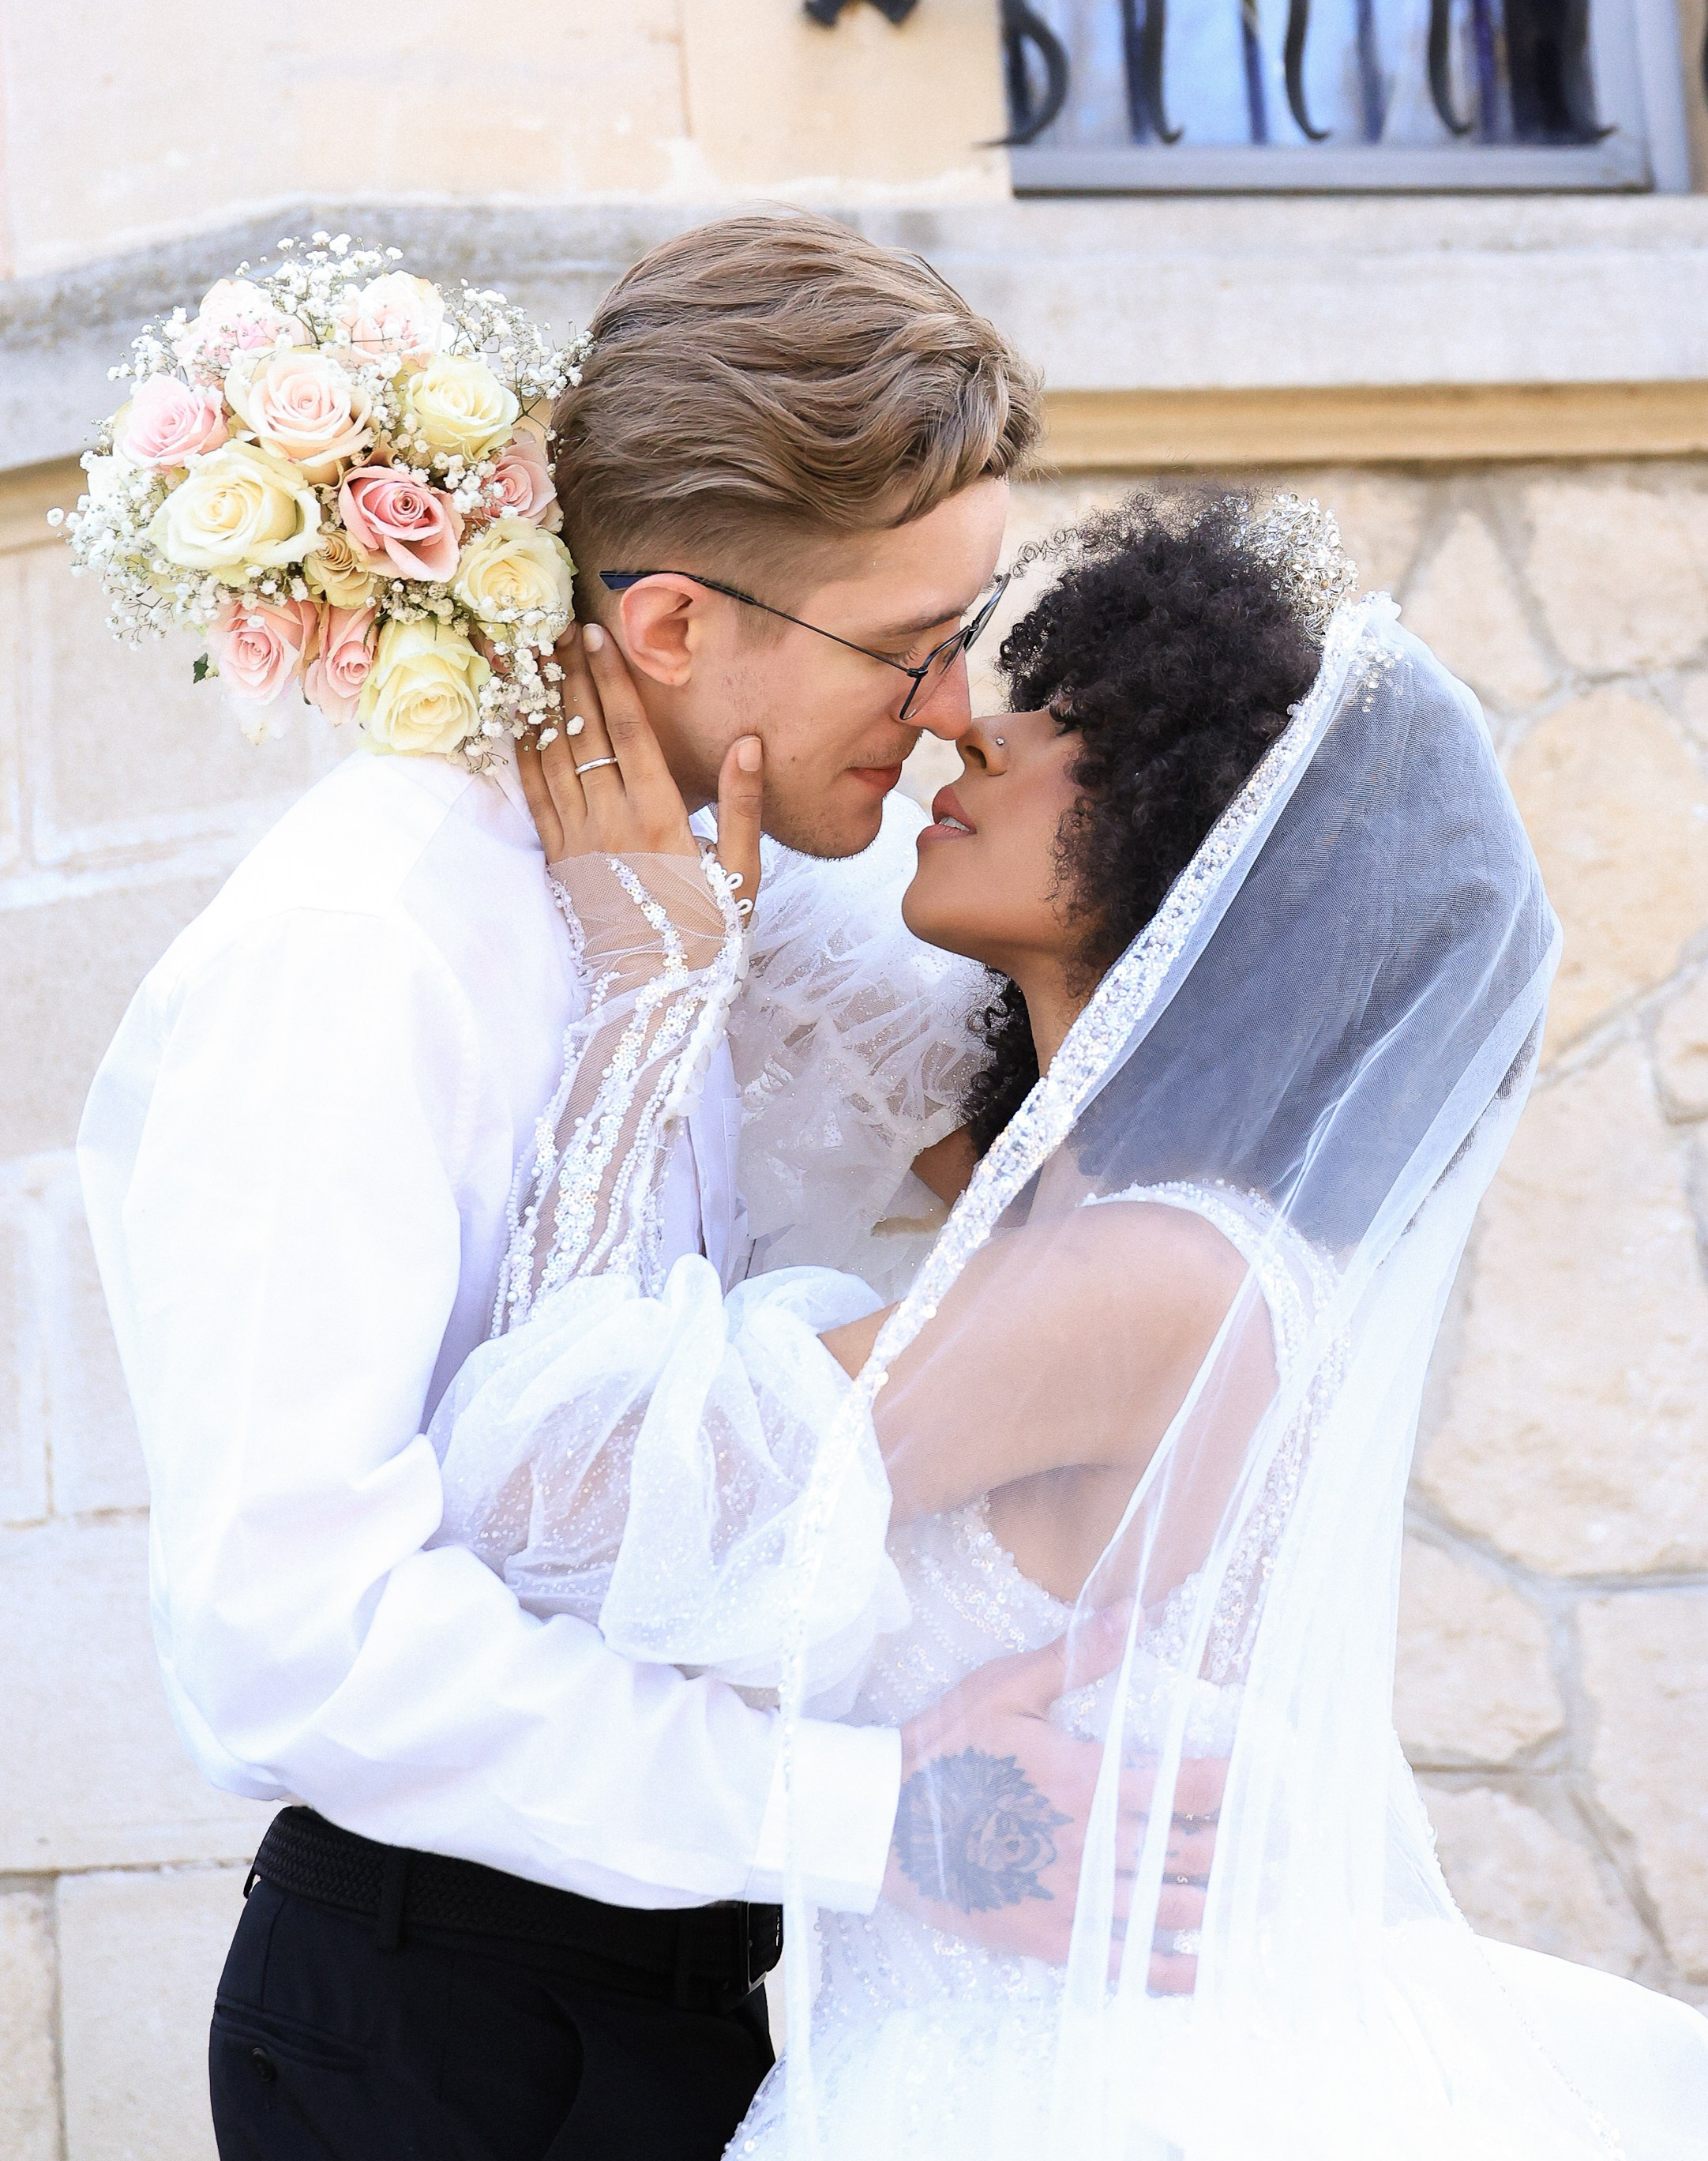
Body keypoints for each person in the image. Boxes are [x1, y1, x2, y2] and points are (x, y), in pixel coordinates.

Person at [438, 489, 1708, 2159]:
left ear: (1197, 840)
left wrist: (642, 985)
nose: (959, 715)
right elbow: (863, 1042)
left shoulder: (1145, 1278)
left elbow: (555, 1500)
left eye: (1063, 725)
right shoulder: (1070, 1214)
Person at [77, 214, 1163, 2161]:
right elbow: (286, 1631)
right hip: (447, 2033)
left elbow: (1090, 1183)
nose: (948, 713)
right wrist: (878, 1815)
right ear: (669, 629)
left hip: (697, 2003)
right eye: (912, 650)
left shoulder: (743, 894)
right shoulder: (365, 946)